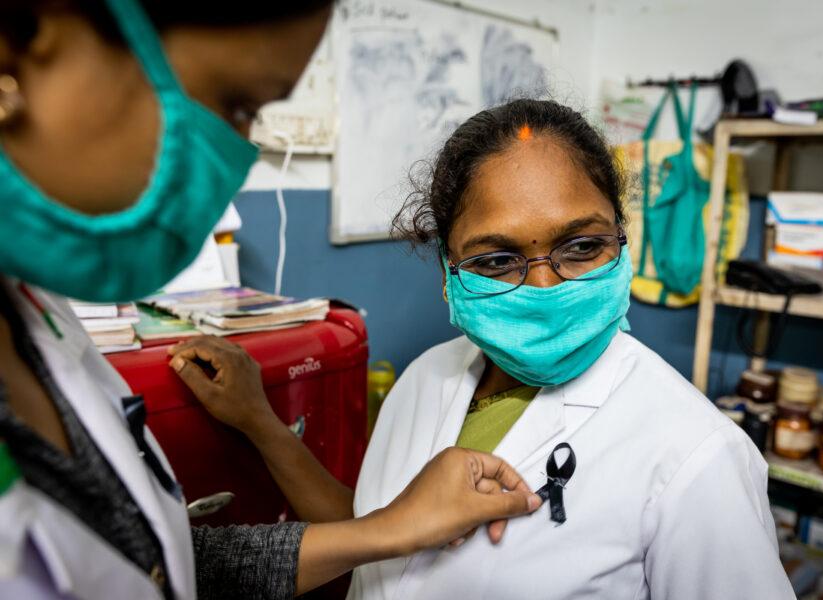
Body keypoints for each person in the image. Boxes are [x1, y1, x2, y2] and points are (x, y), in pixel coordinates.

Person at [0, 1, 542, 598]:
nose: (237, 156)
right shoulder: (425, 382)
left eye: (584, 246)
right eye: (237, 103)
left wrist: (388, 525)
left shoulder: (37, 318)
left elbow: (159, 560)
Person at [344, 99, 797, 599]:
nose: (543, 287)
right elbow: (371, 547)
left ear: (621, 239)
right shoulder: (422, 378)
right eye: (497, 260)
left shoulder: (695, 455)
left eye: (582, 247)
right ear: (448, 269)